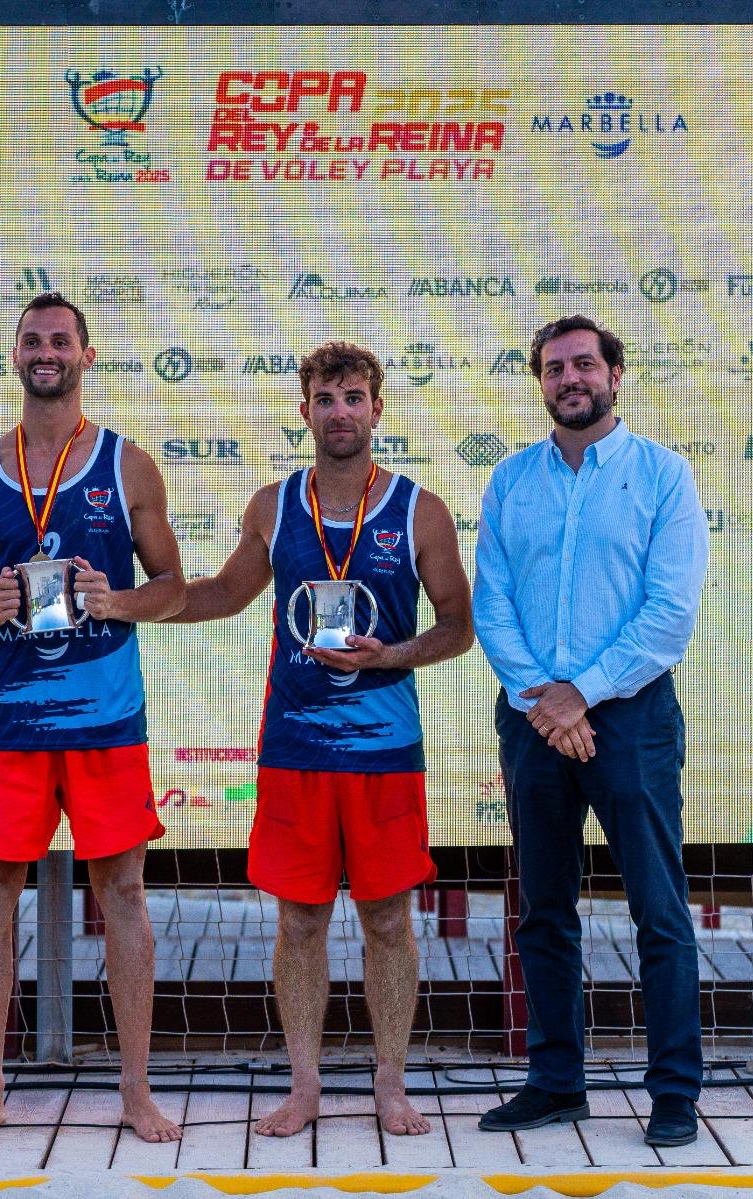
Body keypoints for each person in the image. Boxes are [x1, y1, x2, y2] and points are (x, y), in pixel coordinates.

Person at [166, 341, 473, 1138]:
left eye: (355, 397)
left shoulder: (419, 509)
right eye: (326, 399)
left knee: (386, 921)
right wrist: (131, 602)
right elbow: (225, 594)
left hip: (383, 754)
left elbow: (458, 627)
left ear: (378, 408)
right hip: (295, 751)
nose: (341, 411)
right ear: (304, 412)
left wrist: (390, 654)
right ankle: (304, 1085)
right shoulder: (274, 505)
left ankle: (390, 1081)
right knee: (298, 921)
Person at [0, 292, 186, 1143]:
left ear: (86, 352)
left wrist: (119, 597)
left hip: (105, 719)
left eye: (61, 340)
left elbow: (173, 587)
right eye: (34, 340)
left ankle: (137, 1088)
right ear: (15, 355)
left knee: (124, 893)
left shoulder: (127, 463)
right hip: (7, 722)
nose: (48, 352)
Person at [472, 315, 709, 1147]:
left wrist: (583, 694)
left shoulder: (663, 477)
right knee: (544, 908)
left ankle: (675, 1091)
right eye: (552, 368)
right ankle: (555, 1081)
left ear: (615, 373)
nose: (569, 378)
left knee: (658, 908)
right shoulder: (509, 481)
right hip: (532, 713)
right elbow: (491, 604)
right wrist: (544, 698)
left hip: (632, 714)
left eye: (583, 364)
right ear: (539, 382)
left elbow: (669, 613)